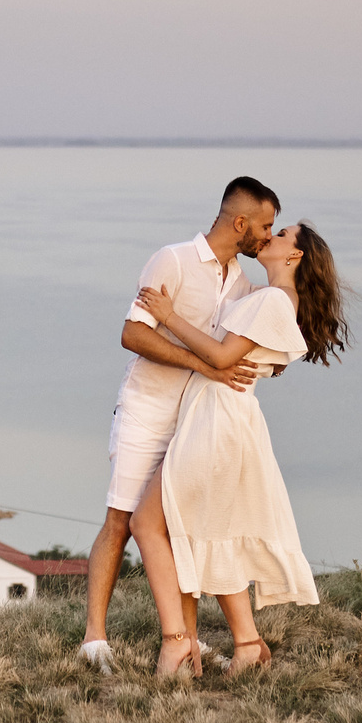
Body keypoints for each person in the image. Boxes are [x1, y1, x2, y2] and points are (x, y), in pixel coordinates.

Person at [129, 220, 350, 677]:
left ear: (296, 256)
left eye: (282, 233)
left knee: (146, 523)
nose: (271, 236)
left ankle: (175, 642)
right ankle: (248, 644)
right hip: (227, 420)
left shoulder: (272, 300)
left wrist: (168, 316)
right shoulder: (274, 300)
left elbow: (223, 358)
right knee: (215, 532)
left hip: (217, 421)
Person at [78, 178, 278, 673]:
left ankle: (185, 638)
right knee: (121, 520)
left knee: (180, 528)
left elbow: (250, 343)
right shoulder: (171, 260)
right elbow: (133, 334)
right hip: (146, 411)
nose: (267, 237)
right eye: (265, 226)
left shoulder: (245, 284)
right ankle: (94, 639)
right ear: (240, 223)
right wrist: (204, 365)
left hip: (197, 423)